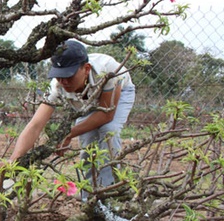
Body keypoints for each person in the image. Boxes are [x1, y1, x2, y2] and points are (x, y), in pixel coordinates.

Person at [9, 39, 135, 199]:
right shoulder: (56, 86)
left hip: (119, 93)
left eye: (69, 75)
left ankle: (113, 192)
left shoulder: (107, 70)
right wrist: (13, 160)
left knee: (108, 131)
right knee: (89, 143)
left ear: (86, 69)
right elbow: (35, 124)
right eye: (59, 76)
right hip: (85, 99)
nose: (64, 82)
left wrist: (68, 134)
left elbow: (106, 114)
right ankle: (91, 197)